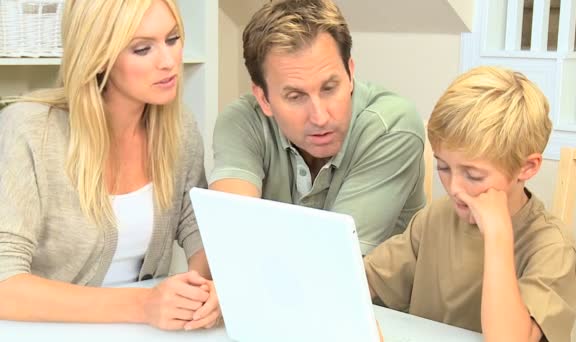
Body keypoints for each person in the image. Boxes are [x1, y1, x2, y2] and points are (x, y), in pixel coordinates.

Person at [0, 0, 219, 331]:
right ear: (99, 56)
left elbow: (199, 231)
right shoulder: (31, 129)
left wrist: (207, 289)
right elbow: (5, 284)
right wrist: (143, 305)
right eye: (142, 48)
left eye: (172, 39)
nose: (168, 61)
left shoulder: (178, 128)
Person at [365, 66, 576, 342]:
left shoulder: (553, 247)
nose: (454, 188)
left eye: (473, 175)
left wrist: (497, 234)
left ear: (527, 168)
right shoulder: (436, 217)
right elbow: (364, 280)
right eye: (443, 167)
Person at [210, 0, 426, 254]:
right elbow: (231, 238)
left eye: (329, 88)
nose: (320, 117)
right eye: (296, 96)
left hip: (367, 294)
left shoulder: (392, 127)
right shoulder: (242, 121)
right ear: (264, 99)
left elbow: (334, 259)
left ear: (350, 73)